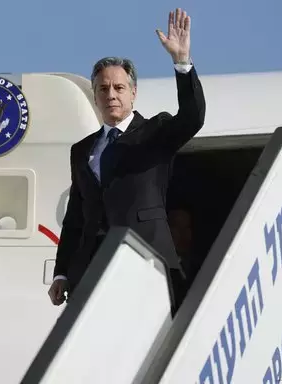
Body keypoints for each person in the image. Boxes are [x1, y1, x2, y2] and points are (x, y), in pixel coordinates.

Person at [48, 8, 206, 310]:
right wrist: (62, 273)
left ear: (133, 93)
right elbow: (75, 218)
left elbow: (193, 117)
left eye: (119, 88)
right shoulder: (81, 150)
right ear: (95, 96)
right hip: (90, 272)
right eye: (103, 89)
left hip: (145, 263)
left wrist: (182, 62)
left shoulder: (155, 131)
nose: (111, 94)